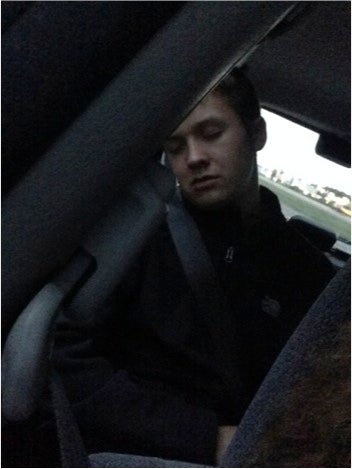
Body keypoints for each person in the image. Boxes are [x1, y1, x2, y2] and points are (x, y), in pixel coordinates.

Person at [51, 68, 335, 465]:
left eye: (211, 133)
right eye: (176, 146)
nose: (194, 158)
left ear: (257, 135)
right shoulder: (140, 238)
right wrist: (204, 437)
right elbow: (61, 356)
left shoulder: (311, 276)